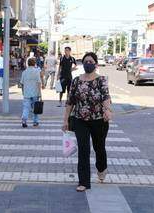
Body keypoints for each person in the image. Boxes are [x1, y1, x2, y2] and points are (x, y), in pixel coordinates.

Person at [62, 52, 112, 192]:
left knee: (99, 148)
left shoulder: (101, 80)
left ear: (95, 64)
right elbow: (70, 101)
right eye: (85, 61)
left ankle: (101, 168)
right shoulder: (76, 81)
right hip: (80, 120)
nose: (88, 64)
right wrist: (65, 120)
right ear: (82, 64)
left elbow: (105, 97)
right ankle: (83, 182)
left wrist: (108, 110)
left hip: (99, 120)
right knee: (83, 150)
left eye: (90, 61)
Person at [20, 57, 42, 128]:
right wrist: (40, 94)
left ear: (28, 64)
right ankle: (35, 122)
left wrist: (23, 92)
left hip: (26, 93)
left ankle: (24, 120)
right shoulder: (37, 72)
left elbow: (22, 83)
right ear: (34, 63)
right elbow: (39, 83)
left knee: (26, 107)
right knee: (35, 108)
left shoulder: (24, 72)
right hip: (35, 92)